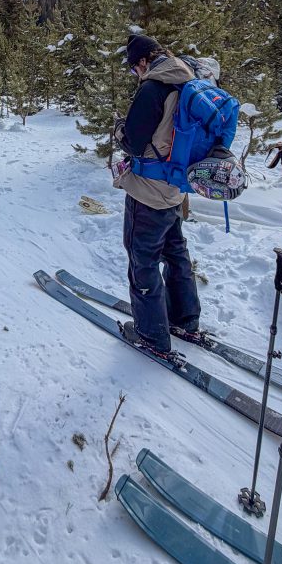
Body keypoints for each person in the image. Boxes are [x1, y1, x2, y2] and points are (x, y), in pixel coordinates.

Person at [112, 34, 201, 358]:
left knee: (142, 259)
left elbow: (134, 142)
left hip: (148, 190)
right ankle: (184, 320)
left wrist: (120, 129)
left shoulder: (153, 88)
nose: (136, 74)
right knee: (176, 252)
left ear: (143, 61)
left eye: (135, 68)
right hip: (175, 187)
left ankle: (151, 335)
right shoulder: (189, 81)